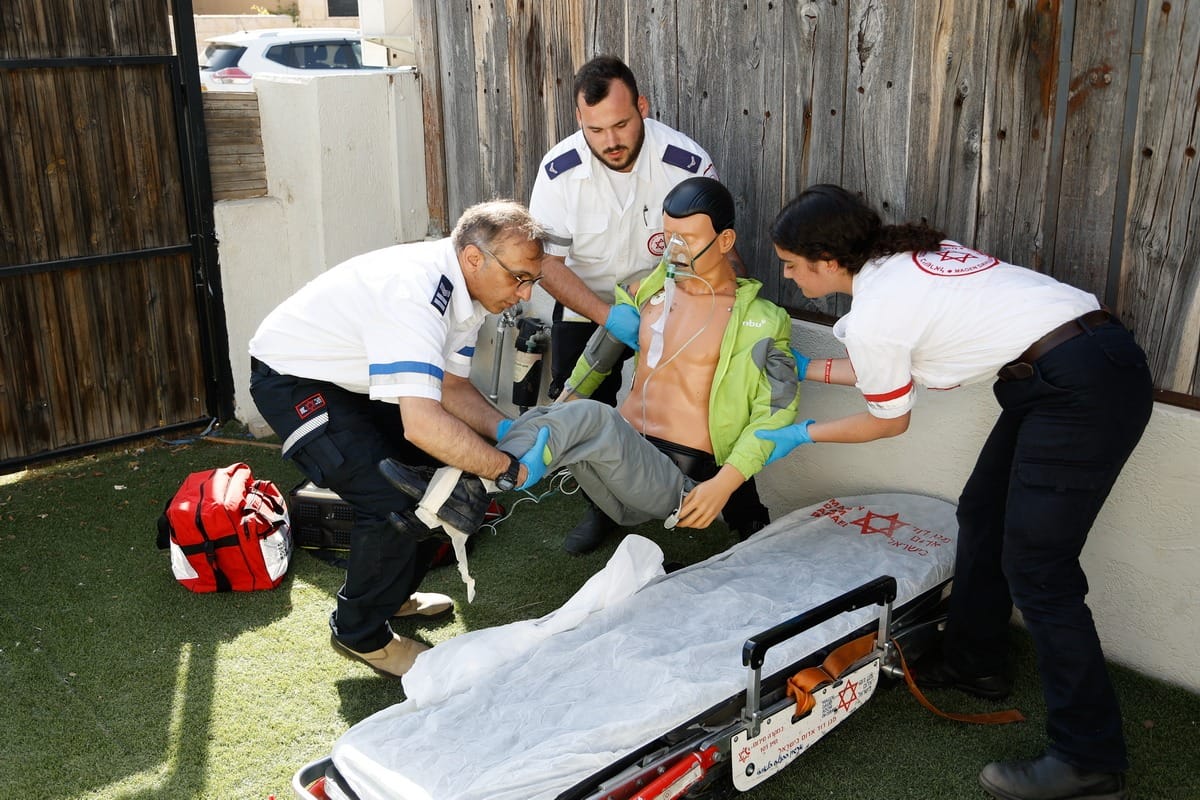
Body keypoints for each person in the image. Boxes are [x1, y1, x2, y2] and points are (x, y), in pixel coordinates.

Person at [758, 184, 1152, 800]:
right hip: (1073, 367)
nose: (784, 273)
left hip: (1081, 385)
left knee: (1040, 570)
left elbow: (888, 419)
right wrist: (806, 368)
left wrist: (802, 434)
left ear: (828, 261)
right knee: (983, 514)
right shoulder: (897, 265)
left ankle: (1089, 760)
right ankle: (976, 662)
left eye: (789, 262)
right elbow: (884, 361)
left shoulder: (877, 312)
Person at [248, 200, 553, 679]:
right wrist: (506, 467)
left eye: (533, 280)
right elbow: (423, 424)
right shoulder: (418, 292)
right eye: (519, 277)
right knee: (398, 496)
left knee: (435, 478)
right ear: (475, 259)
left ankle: (390, 597)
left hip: (349, 379)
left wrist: (505, 431)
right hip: (291, 377)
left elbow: (451, 387)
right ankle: (359, 634)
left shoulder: (466, 292)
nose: (526, 294)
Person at [529, 55, 741, 550]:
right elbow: (548, 264)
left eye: (621, 124)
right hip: (588, 302)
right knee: (579, 403)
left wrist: (733, 308)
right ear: (579, 120)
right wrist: (608, 317)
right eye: (595, 129)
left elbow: (713, 247)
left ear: (642, 107)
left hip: (671, 301)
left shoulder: (686, 161)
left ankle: (724, 504)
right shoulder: (558, 170)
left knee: (697, 400)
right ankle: (601, 511)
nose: (611, 141)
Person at [558, 176, 795, 552]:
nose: (676, 251)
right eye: (669, 238)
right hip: (629, 440)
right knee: (573, 421)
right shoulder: (646, 291)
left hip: (692, 461)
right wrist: (563, 405)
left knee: (741, 501)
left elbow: (775, 413)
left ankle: (746, 520)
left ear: (725, 241)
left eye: (690, 239)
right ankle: (600, 510)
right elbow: (596, 358)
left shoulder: (761, 320)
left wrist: (727, 480)